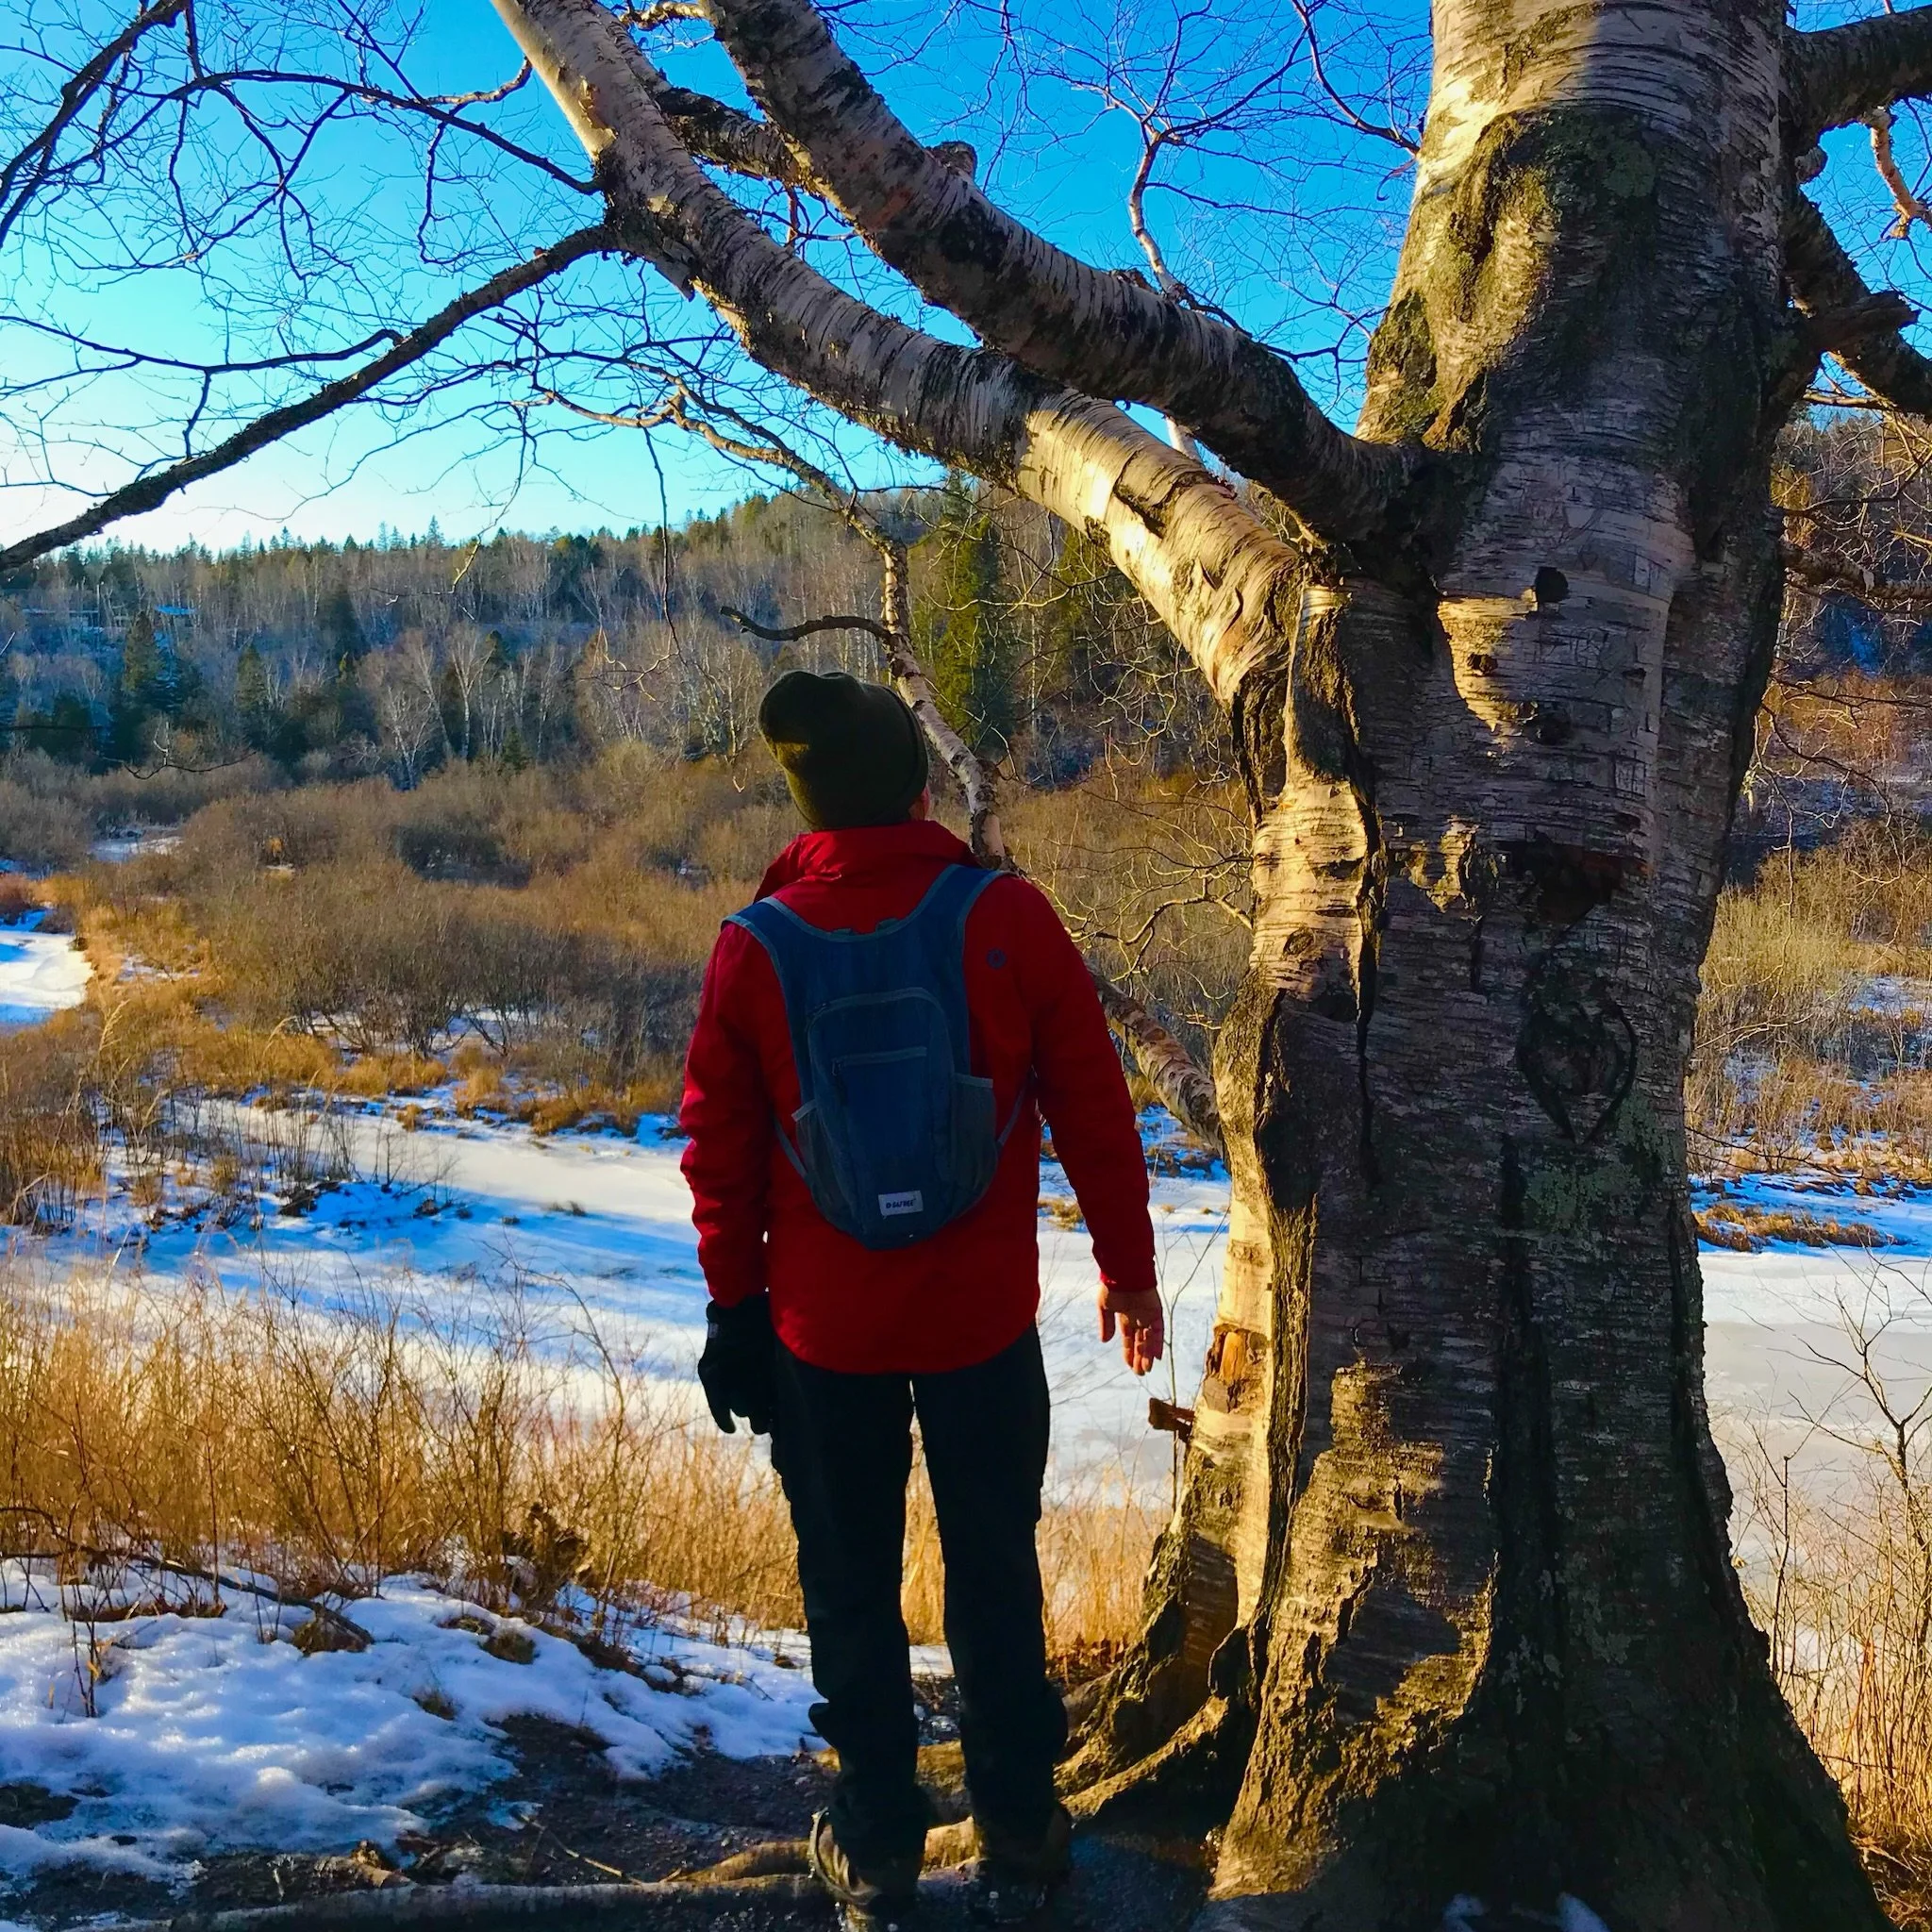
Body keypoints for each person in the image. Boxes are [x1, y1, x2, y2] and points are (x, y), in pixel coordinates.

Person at [680, 669, 1164, 1929]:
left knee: (849, 1586)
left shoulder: (753, 947)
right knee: (995, 1574)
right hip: (980, 1325)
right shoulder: (1004, 916)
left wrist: (735, 1313)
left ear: (809, 803)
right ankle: (1020, 1834)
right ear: (914, 782)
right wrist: (1128, 1270)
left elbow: (718, 1148)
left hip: (821, 1336)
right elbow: (1094, 1110)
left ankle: (880, 1848)